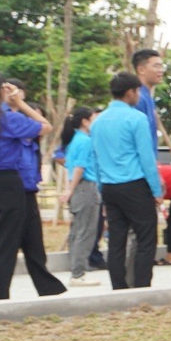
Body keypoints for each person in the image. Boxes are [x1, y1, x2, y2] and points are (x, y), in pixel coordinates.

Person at [0, 70, 66, 302]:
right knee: (3, 245)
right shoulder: (7, 118)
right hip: (4, 183)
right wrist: (20, 102)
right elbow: (45, 126)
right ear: (0, 90)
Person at [91, 72, 165, 290]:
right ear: (131, 92)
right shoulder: (136, 118)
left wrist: (101, 188)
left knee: (116, 240)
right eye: (138, 91)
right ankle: (142, 286)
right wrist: (156, 191)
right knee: (146, 238)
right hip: (135, 184)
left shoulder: (98, 122)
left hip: (109, 187)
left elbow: (95, 158)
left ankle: (118, 288)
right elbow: (146, 158)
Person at [58, 107, 103, 286]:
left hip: (79, 190)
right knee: (86, 232)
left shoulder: (75, 140)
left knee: (78, 231)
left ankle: (77, 271)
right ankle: (78, 273)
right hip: (85, 188)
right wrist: (70, 189)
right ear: (85, 121)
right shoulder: (85, 141)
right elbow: (79, 167)